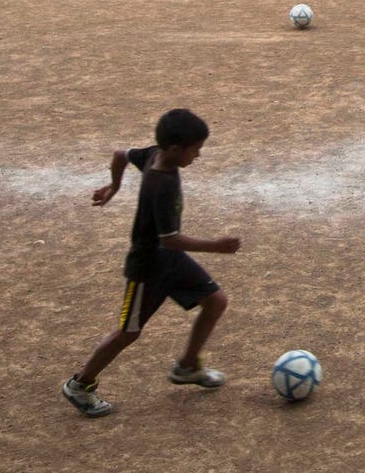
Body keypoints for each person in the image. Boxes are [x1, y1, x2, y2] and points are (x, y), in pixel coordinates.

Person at [61, 108, 240, 419]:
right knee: (128, 333)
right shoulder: (161, 184)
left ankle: (187, 366)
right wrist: (216, 246)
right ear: (175, 149)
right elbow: (170, 239)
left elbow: (120, 154)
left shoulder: (154, 154)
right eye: (195, 149)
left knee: (215, 301)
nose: (198, 155)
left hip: (170, 261)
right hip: (147, 269)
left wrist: (114, 186)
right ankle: (80, 384)